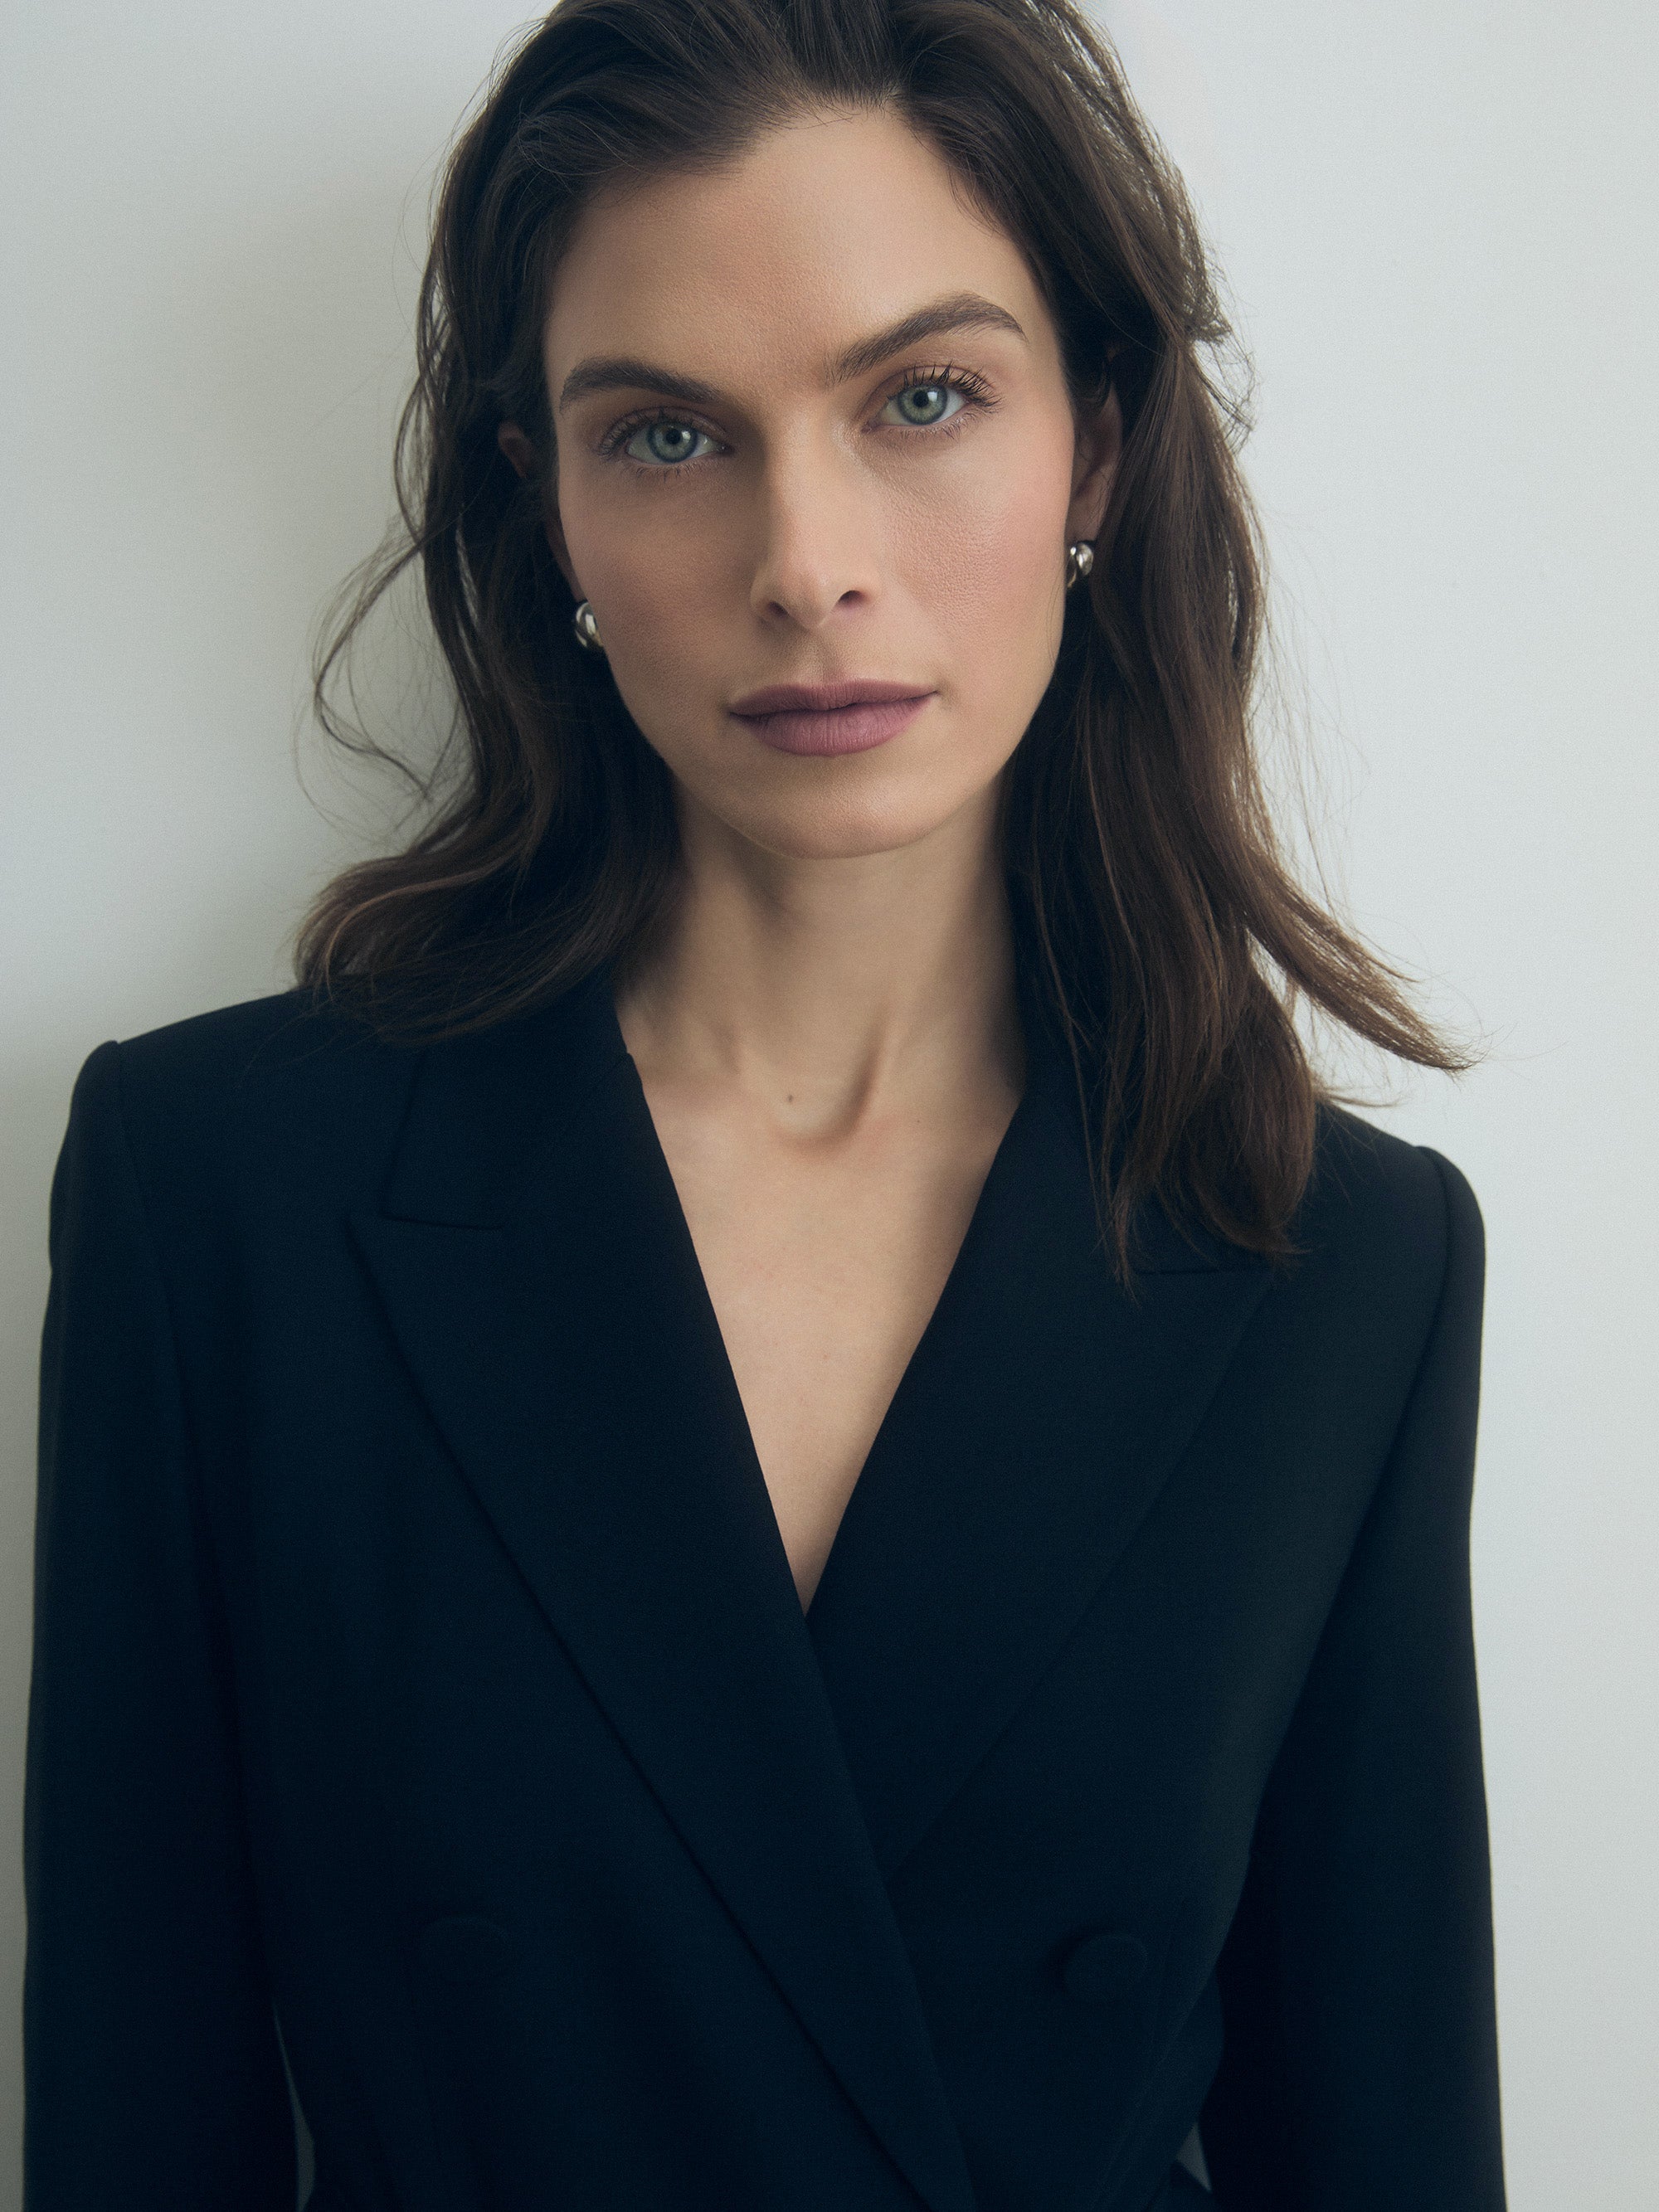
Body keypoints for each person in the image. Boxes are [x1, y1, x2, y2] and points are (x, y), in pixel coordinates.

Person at [22, 2, 1507, 2207]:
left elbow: (1377, 2138)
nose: (809, 560)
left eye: (922, 395)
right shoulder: (223, 1194)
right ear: (545, 506)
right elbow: (138, 2119)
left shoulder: (1335, 1260)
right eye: (670, 436)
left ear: (1096, 440)